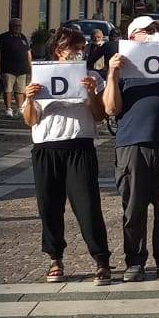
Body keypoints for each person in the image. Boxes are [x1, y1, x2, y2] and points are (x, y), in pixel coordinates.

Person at [103, 16, 159, 281]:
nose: (155, 34)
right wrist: (112, 74)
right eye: (147, 31)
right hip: (132, 143)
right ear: (132, 37)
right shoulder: (122, 67)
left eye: (158, 30)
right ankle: (134, 261)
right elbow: (110, 108)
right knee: (133, 206)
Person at [23, 27, 112, 285]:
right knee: (49, 207)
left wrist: (91, 93)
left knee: (88, 206)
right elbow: (30, 120)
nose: (80, 53)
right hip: (46, 147)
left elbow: (100, 115)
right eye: (75, 49)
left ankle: (101, 259)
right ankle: (55, 258)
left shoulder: (91, 76)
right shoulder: (41, 76)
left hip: (79, 146)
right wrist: (29, 99)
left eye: (82, 48)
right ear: (60, 51)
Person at [0, 18, 33, 118]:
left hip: (22, 69)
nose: (17, 28)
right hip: (8, 68)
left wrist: (30, 66)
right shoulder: (3, 37)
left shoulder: (23, 37)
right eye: (15, 26)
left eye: (19, 26)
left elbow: (28, 52)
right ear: (10, 26)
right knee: (8, 89)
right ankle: (8, 109)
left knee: (20, 90)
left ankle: (20, 108)